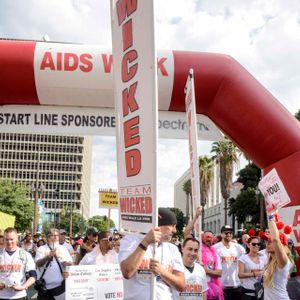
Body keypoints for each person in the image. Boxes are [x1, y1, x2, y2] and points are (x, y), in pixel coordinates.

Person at [119, 207, 186, 299]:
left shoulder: (172, 249)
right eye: (172, 225)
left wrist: (162, 272)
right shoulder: (131, 240)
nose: (174, 230)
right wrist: (145, 242)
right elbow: (127, 272)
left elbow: (181, 286)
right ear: (159, 225)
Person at [263, 211, 294, 300]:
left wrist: (271, 216)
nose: (267, 244)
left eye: (270, 241)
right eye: (267, 241)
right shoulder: (270, 260)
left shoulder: (283, 261)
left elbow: (276, 239)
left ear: (281, 245)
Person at [35, 228, 73, 300]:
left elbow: (70, 263)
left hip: (60, 287)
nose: (56, 237)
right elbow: (38, 264)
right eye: (53, 235)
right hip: (44, 287)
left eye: (57, 235)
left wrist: (67, 263)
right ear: (48, 237)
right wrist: (48, 256)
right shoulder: (41, 249)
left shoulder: (63, 249)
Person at [0, 227, 37, 300]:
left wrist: (23, 287)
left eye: (11, 239)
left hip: (19, 296)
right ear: (4, 239)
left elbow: (33, 276)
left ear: (17, 238)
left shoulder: (25, 254)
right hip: (2, 295)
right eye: (7, 239)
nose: (9, 242)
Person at [213, 225, 245, 300]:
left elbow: (245, 262)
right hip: (222, 286)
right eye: (226, 233)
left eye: (230, 233)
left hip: (236, 285)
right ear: (221, 234)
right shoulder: (215, 248)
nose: (229, 234)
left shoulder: (239, 248)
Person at [238, 235, 267, 300]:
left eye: (258, 244)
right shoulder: (243, 258)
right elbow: (240, 275)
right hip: (247, 292)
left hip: (260, 292)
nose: (256, 246)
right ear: (248, 245)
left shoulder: (263, 257)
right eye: (254, 244)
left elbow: (267, 271)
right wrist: (255, 274)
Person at [202, 231, 223, 300]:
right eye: (207, 237)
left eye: (211, 237)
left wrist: (206, 271)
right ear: (202, 238)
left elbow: (219, 273)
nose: (208, 239)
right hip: (200, 286)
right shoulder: (198, 251)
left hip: (213, 287)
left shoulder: (215, 254)